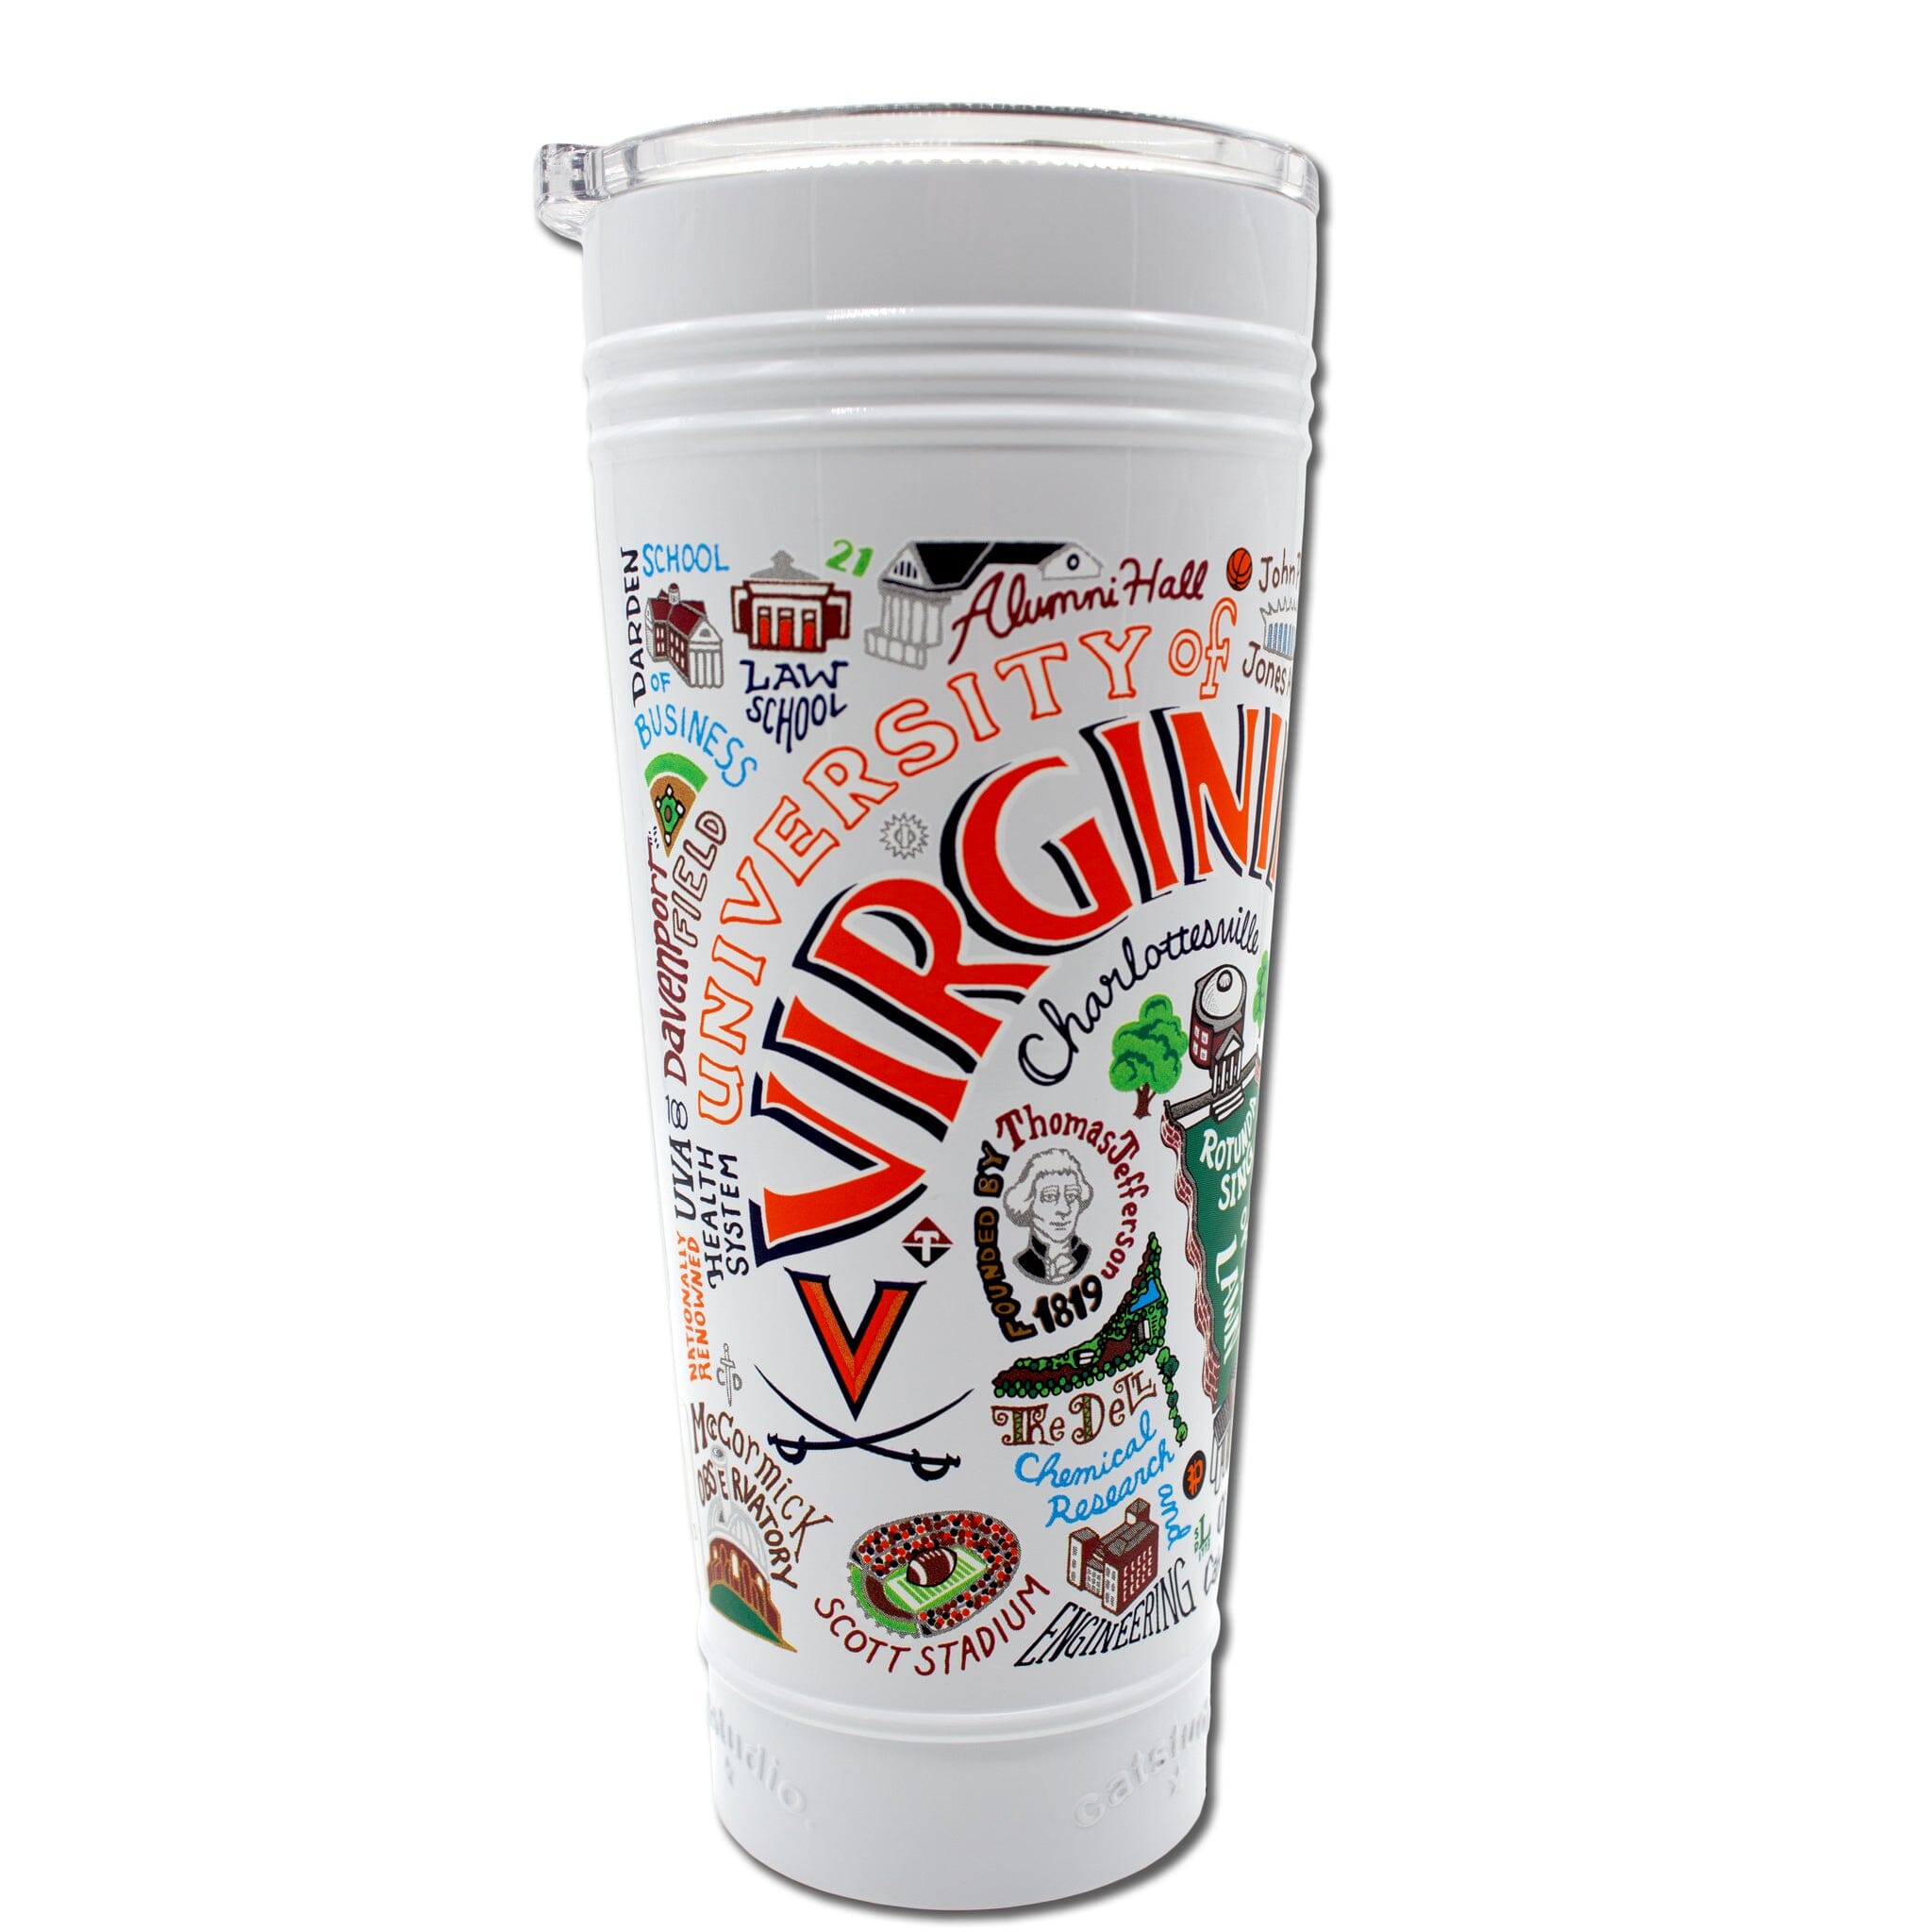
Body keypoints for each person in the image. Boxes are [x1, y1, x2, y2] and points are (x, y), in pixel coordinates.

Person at [1005, 1146, 1094, 1283]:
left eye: (1071, 1196)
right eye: (1050, 1197)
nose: (1065, 1209)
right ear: (1028, 1203)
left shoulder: (1084, 1254)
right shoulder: (1023, 1263)